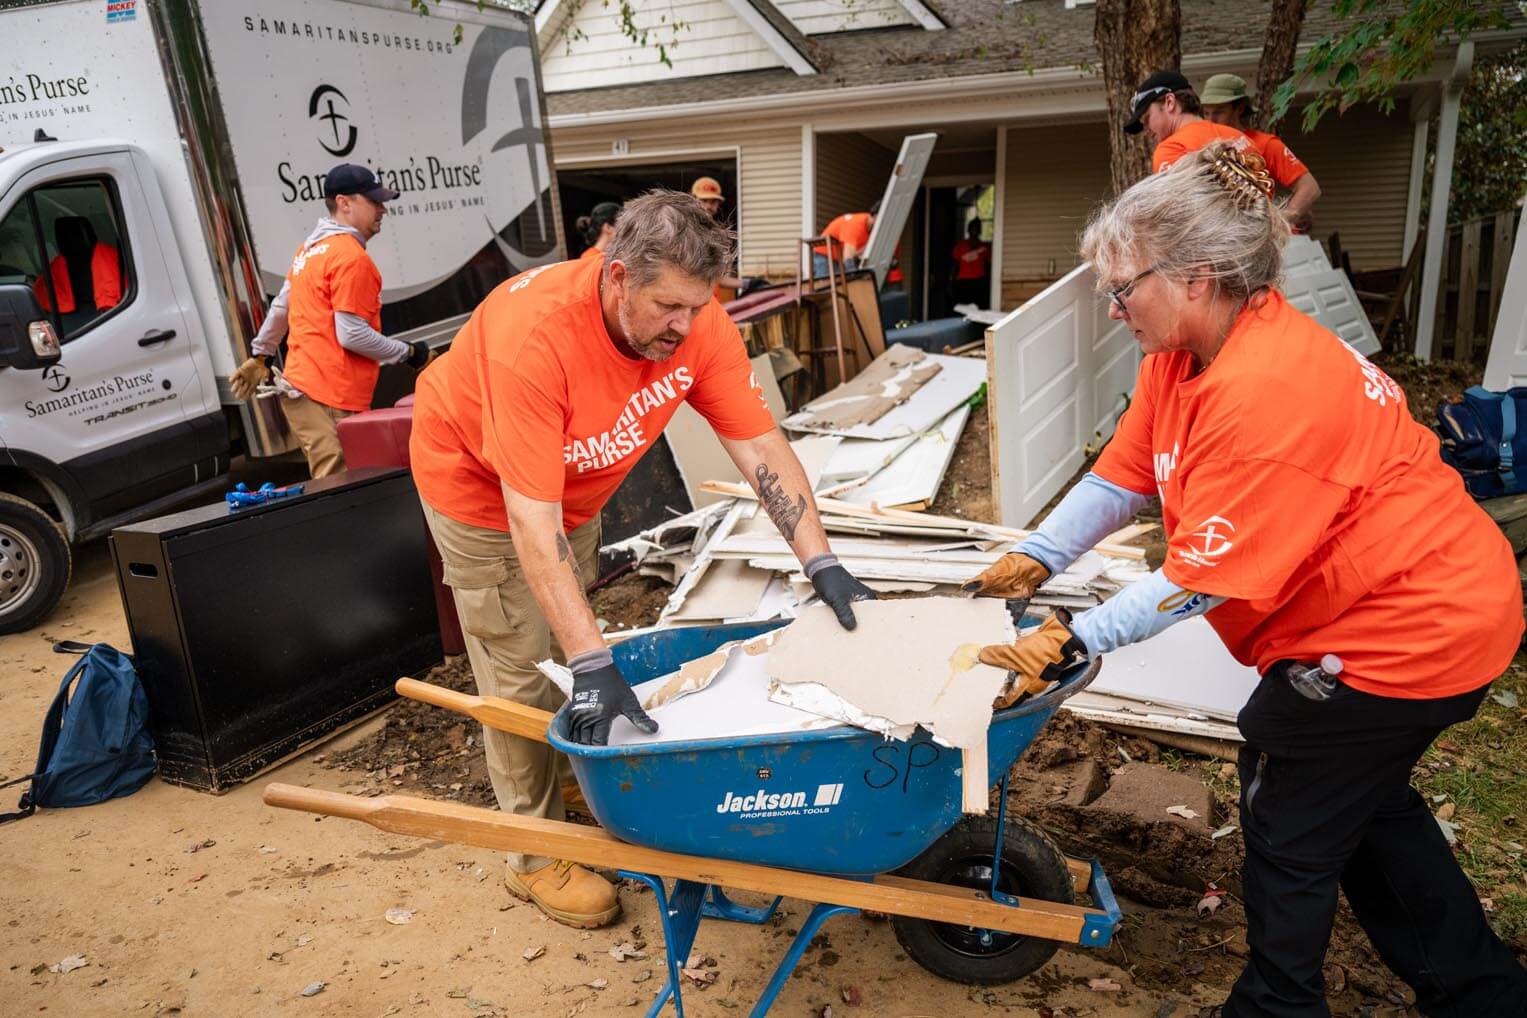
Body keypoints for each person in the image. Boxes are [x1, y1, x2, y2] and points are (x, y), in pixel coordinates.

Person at [964, 141, 1527, 1017]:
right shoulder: (1183, 355)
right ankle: (1480, 992)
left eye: (1121, 289)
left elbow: (1200, 580)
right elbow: (1126, 477)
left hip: (1412, 625)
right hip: (1420, 602)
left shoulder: (1268, 389)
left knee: (1288, 818)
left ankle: (1275, 1004)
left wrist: (1072, 637)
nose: (1113, 310)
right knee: (1367, 805)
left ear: (1193, 275)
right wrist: (1038, 553)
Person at [408, 190, 875, 929]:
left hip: (572, 497)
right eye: (668, 308)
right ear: (617, 275)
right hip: (482, 495)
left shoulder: (695, 324)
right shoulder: (532, 340)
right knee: (523, 667)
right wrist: (592, 664)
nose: (684, 327)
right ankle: (531, 856)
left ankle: (570, 776)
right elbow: (530, 524)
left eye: (697, 307)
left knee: (571, 645)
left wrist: (821, 561)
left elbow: (758, 447)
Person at [228, 163, 433, 478]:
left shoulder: (310, 249)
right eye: (374, 201)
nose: (383, 209)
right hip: (326, 393)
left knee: (344, 482)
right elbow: (351, 335)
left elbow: (282, 306)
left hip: (306, 390)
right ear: (344, 203)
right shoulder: (350, 257)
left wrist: (262, 356)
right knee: (338, 486)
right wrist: (410, 353)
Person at [1201, 73, 1322, 232]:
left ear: (1240, 108)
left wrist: (1281, 222)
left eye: (1218, 112)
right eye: (1206, 113)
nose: (1211, 120)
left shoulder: (1264, 144)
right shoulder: (1199, 148)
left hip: (1253, 241)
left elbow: (1309, 188)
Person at [1122, 69, 1249, 174]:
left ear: (1169, 102)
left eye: (1147, 118)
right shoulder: (1240, 138)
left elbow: (1175, 204)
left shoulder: (1171, 149)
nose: (1146, 130)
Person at [813, 201, 878, 277]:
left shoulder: (871, 228)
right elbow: (848, 258)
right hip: (824, 255)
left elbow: (858, 252)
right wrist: (855, 277)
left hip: (838, 257)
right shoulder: (856, 225)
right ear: (874, 216)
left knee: (840, 286)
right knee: (825, 286)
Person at [949, 219, 991, 309]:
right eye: (972, 228)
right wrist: (952, 279)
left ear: (980, 231)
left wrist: (988, 281)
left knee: (979, 307)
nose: (974, 231)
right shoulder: (960, 246)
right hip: (963, 281)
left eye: (977, 229)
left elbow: (987, 265)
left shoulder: (984, 247)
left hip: (979, 281)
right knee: (963, 307)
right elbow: (955, 264)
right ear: (968, 230)